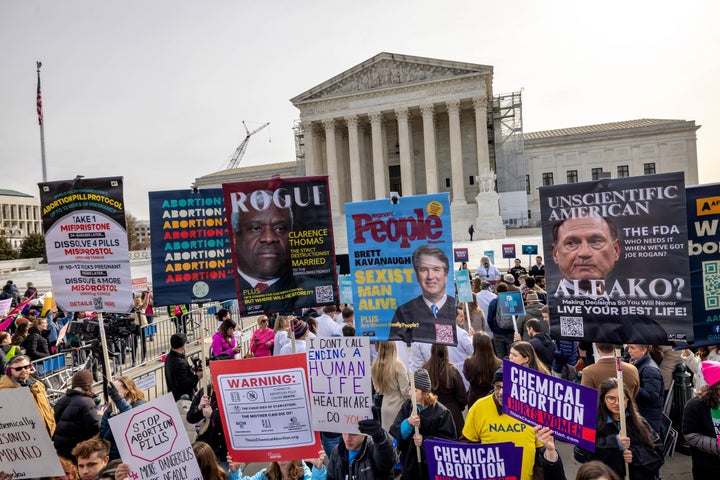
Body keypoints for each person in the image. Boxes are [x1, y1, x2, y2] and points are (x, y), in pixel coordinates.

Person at [231, 192, 322, 315]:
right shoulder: (226, 291)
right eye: (256, 228)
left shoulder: (314, 290)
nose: (269, 238)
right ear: (235, 238)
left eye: (280, 228)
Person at [462, 367, 543, 480]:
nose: (501, 392)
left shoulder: (534, 408)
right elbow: (467, 446)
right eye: (498, 387)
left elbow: (541, 454)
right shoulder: (479, 408)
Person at [575, 378, 663, 480]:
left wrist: (634, 455)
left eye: (622, 398)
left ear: (628, 400)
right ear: (604, 399)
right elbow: (584, 451)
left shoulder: (639, 422)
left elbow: (657, 451)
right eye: (611, 398)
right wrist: (615, 442)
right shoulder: (593, 422)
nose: (617, 403)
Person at [389, 369, 456, 480]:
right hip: (410, 466)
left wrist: (425, 441)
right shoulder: (408, 406)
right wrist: (408, 424)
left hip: (431, 469)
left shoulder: (441, 413)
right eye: (409, 389)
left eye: (414, 391)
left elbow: (448, 443)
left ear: (425, 393)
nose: (410, 394)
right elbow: (397, 431)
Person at [389, 245, 456, 345]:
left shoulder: (457, 307)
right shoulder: (404, 312)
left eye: (436, 269)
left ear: (446, 274)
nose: (430, 276)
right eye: (423, 270)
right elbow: (395, 346)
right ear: (417, 275)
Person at [326, 409, 397, 480]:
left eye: (353, 434)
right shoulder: (337, 452)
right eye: (344, 432)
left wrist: (381, 438)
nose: (347, 438)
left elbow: (389, 461)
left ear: (364, 433)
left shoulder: (373, 449)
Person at [0, 354, 55, 435]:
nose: (23, 370)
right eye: (18, 368)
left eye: (26, 367)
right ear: (9, 371)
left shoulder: (37, 383)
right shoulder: (4, 390)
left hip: (49, 431)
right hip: (28, 437)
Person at [53, 369, 102, 460]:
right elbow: (95, 427)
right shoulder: (87, 402)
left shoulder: (61, 401)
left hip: (61, 449)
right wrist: (99, 415)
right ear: (88, 385)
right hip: (77, 449)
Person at [682, 360, 720, 478]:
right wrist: (717, 446)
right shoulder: (695, 405)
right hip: (708, 466)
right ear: (716, 386)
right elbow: (690, 435)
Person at [422, 344, 466, 433]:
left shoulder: (425, 369)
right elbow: (462, 396)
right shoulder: (452, 370)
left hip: (432, 413)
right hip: (452, 413)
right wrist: (458, 408)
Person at [100, 376, 146, 460]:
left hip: (135, 455)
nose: (112, 394)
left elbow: (132, 420)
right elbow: (104, 439)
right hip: (115, 456)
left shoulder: (139, 404)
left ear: (127, 389)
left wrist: (119, 400)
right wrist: (115, 425)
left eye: (115, 390)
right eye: (111, 391)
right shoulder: (110, 410)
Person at [370, 341, 409, 432]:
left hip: (385, 404)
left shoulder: (375, 366)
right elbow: (405, 391)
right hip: (399, 405)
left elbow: (377, 389)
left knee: (388, 436)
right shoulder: (399, 365)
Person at [627, 344, 664, 435]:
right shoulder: (636, 363)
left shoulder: (650, 369)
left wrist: (632, 385)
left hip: (647, 420)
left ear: (643, 350)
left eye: (632, 348)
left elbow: (652, 396)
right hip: (642, 416)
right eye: (628, 347)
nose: (629, 350)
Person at [463, 332, 502, 408]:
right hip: (492, 398)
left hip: (474, 398)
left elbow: (467, 377)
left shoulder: (468, 362)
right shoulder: (499, 363)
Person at [229, 450, 327, 480]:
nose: (281, 461)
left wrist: (318, 468)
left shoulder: (303, 475)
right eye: (278, 455)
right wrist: (234, 471)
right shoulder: (265, 475)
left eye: (285, 455)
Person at [165, 333, 202, 400]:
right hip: (183, 398)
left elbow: (178, 375)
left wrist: (189, 369)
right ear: (182, 345)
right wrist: (197, 376)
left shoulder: (169, 357)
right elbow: (184, 383)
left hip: (174, 394)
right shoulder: (179, 362)